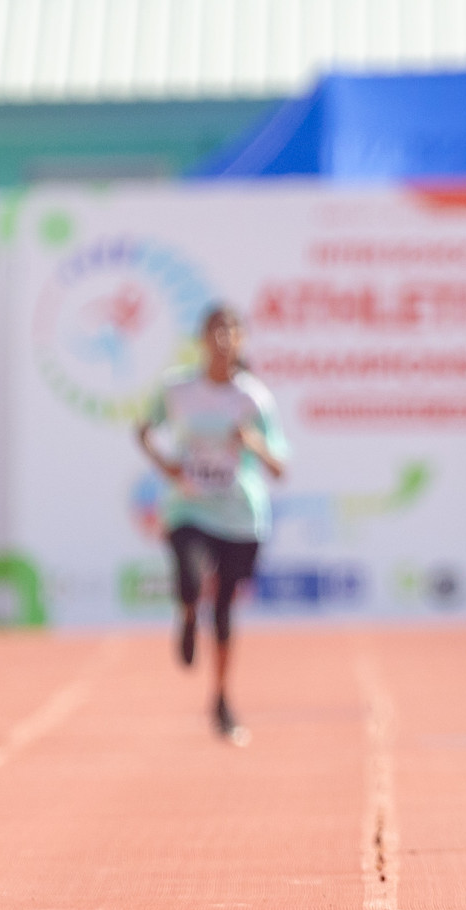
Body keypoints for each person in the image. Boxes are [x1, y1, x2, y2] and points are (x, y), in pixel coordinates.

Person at [136, 306, 287, 746]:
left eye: (232, 331)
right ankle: (186, 612)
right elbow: (144, 428)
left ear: (242, 339)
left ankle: (220, 699)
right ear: (202, 338)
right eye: (216, 330)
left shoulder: (253, 398)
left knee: (222, 609)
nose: (223, 339)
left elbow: (279, 467)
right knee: (188, 578)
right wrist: (165, 464)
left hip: (239, 514)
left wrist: (253, 443)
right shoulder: (177, 389)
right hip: (190, 507)